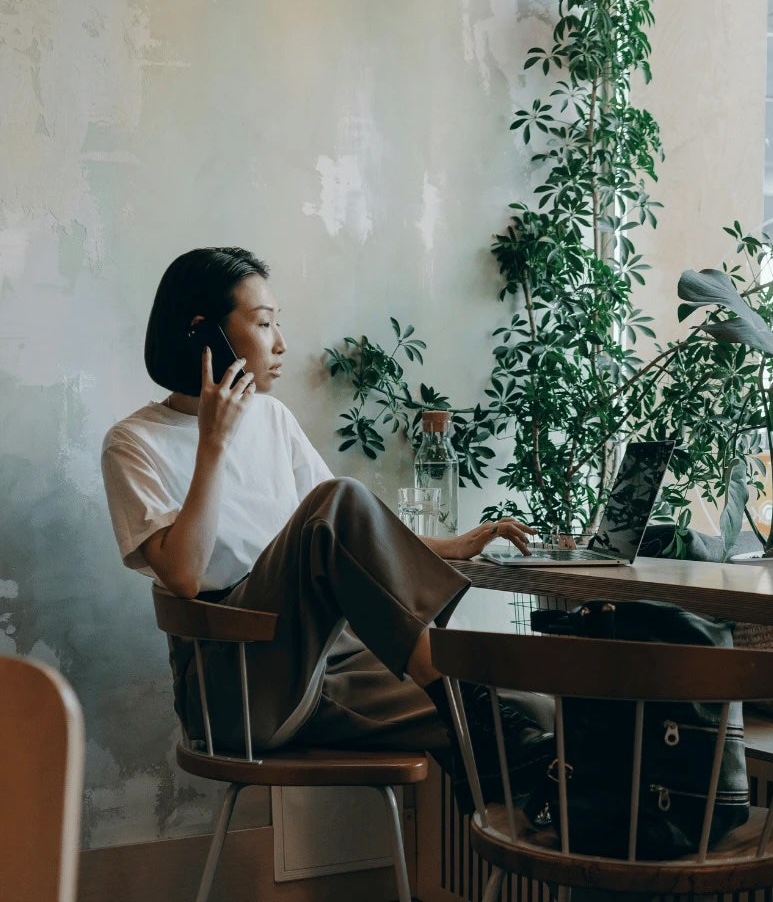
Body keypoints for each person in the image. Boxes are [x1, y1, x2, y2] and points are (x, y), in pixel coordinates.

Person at [101, 246, 554, 808]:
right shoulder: (133, 442)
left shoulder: (272, 419)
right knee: (337, 499)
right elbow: (186, 577)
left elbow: (351, 540)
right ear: (203, 334)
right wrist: (213, 444)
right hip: (236, 686)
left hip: (327, 667)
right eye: (264, 323)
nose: (282, 343)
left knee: (531, 708)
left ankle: (514, 805)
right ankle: (449, 685)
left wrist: (448, 546)